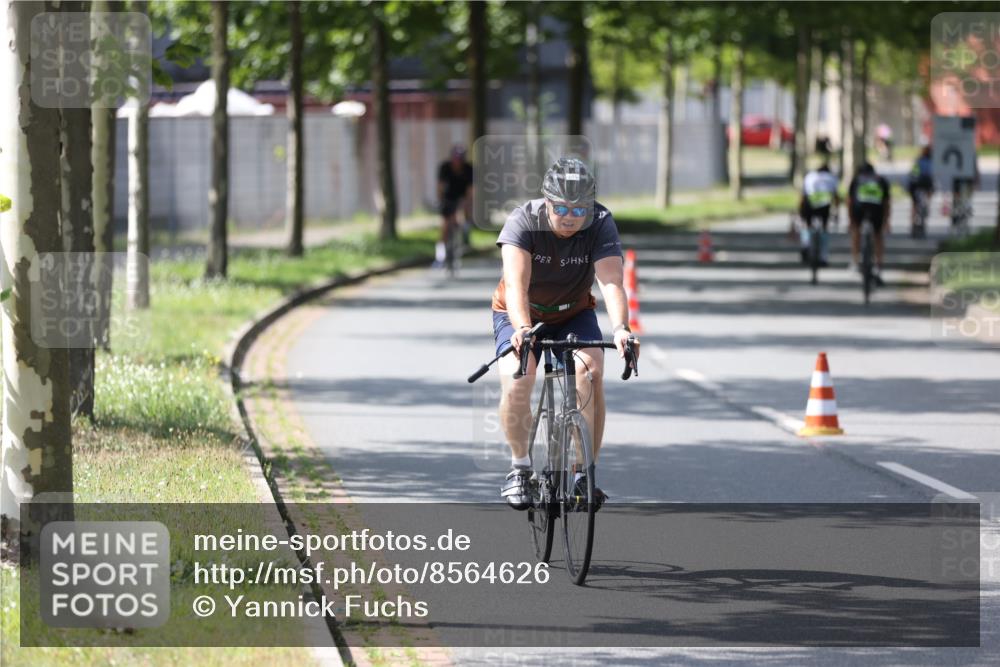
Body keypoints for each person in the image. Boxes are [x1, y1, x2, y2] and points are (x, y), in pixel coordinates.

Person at [492, 157, 636, 511]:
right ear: (546, 200)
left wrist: (621, 329)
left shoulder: (600, 223)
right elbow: (516, 285)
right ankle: (519, 467)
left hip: (574, 313)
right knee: (520, 377)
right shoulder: (524, 220)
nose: (570, 215)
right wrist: (523, 330)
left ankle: (584, 472)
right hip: (522, 314)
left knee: (592, 372)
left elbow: (612, 282)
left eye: (579, 208)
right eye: (560, 207)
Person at [846, 162, 891, 285]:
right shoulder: (881, 180)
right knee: (878, 235)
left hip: (859, 209)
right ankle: (879, 264)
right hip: (877, 210)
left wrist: (850, 220)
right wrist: (886, 221)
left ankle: (855, 261)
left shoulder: (856, 180)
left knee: (856, 231)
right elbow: (886, 202)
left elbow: (850, 201)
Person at [435, 145, 474, 268]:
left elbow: (470, 189)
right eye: (456, 159)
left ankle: (465, 233)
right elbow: (440, 186)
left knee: (462, 214)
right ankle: (441, 253)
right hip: (448, 197)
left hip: (462, 196)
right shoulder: (445, 167)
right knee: (445, 224)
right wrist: (440, 200)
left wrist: (468, 202)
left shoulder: (469, 169)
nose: (458, 162)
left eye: (460, 159)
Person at [798, 162, 840, 265]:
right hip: (824, 203)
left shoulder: (809, 176)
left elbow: (803, 196)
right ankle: (823, 256)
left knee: (807, 225)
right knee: (824, 227)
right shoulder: (831, 177)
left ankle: (806, 244)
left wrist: (800, 211)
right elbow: (835, 197)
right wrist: (836, 212)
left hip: (809, 202)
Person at [907, 145, 933, 234]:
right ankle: (926, 207)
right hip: (926, 184)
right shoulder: (932, 161)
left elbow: (912, 174)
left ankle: (912, 225)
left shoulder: (918, 161)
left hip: (917, 184)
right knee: (927, 197)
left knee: (914, 205)